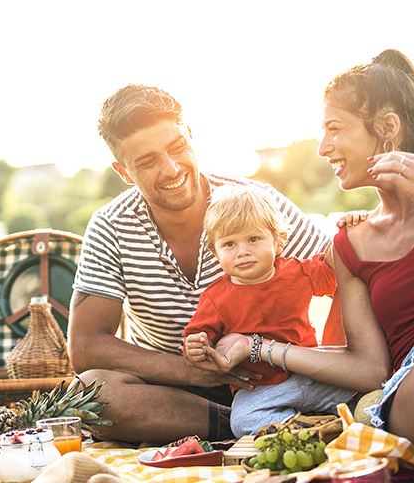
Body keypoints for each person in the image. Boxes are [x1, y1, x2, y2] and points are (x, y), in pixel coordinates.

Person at [199, 50, 414, 483]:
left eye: (334, 129)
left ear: (388, 128)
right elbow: (371, 369)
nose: (322, 148)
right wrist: (261, 347)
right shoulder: (349, 244)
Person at [67, 83, 335, 445]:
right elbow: (86, 346)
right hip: (177, 394)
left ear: (190, 136)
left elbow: (345, 276)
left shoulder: (254, 203)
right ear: (124, 172)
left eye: (177, 148)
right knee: (89, 393)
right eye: (147, 161)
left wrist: (336, 362)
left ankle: (267, 418)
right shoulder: (110, 225)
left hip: (281, 380)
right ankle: (245, 425)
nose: (171, 168)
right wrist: (192, 372)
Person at [182, 185, 356, 437]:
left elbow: (337, 269)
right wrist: (196, 346)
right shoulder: (215, 298)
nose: (243, 251)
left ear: (279, 241)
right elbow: (197, 338)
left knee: (364, 391)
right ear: (215, 251)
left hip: (311, 373)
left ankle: (329, 422)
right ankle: (306, 428)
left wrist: (348, 230)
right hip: (262, 389)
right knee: (242, 420)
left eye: (253, 239)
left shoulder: (298, 273)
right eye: (229, 243)